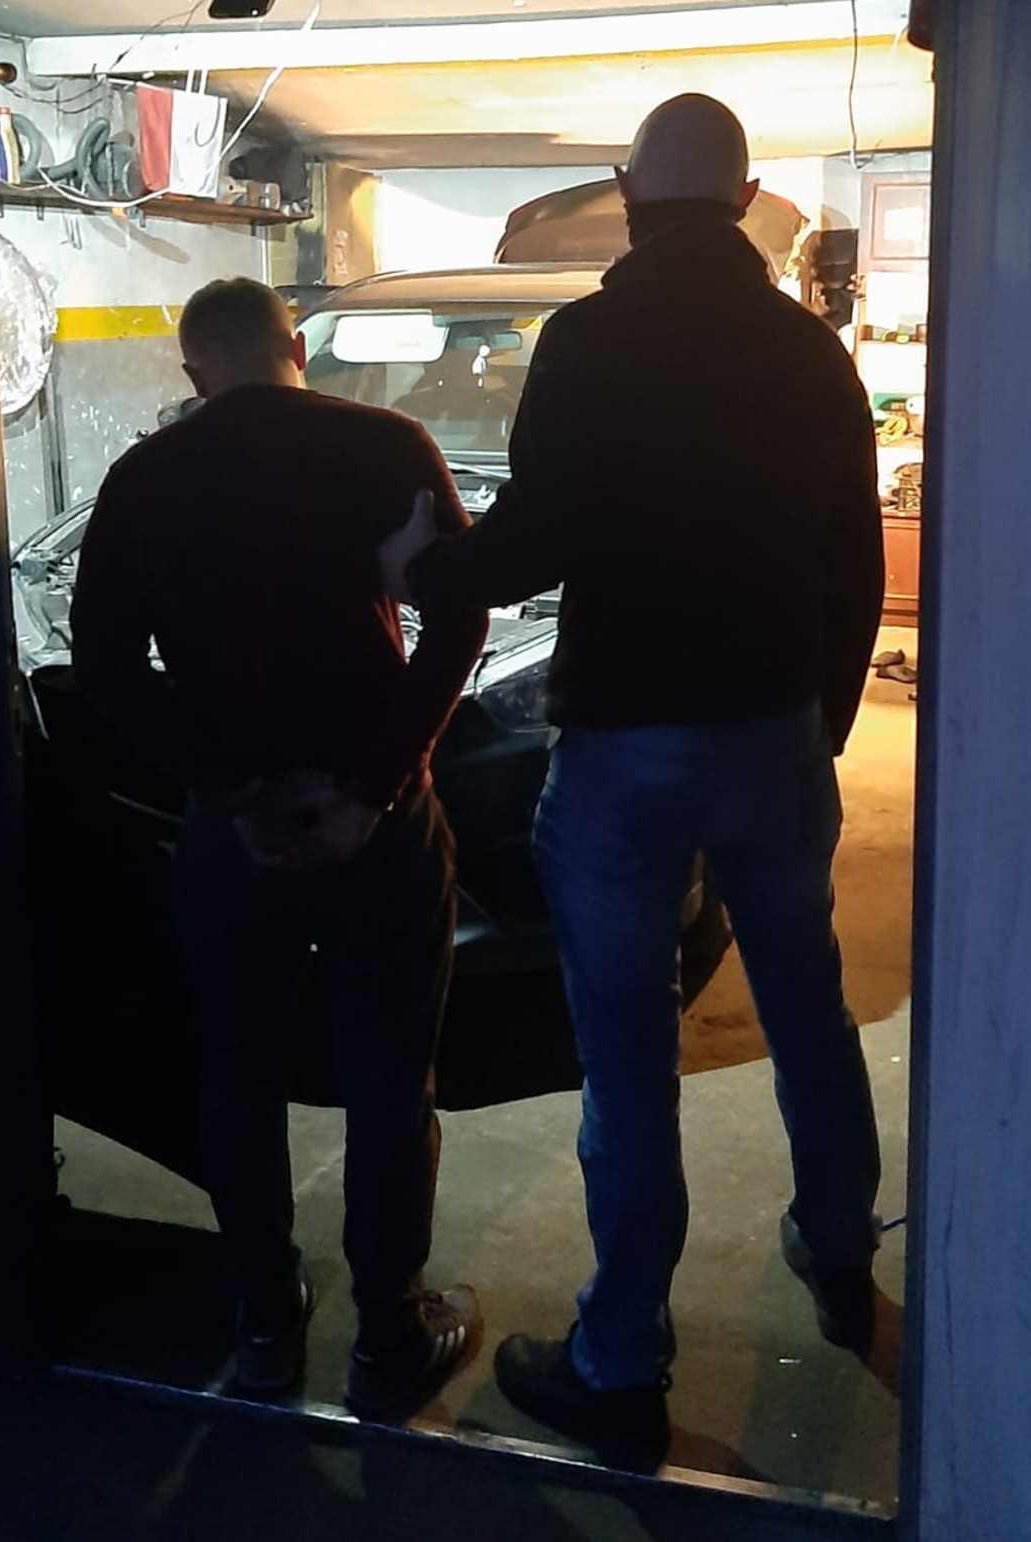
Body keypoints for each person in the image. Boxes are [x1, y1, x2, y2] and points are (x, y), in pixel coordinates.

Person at [379, 94, 885, 1458]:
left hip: (624, 755)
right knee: (809, 1008)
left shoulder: (588, 342)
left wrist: (424, 570)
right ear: (746, 199)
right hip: (771, 738)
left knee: (627, 1055)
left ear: (622, 190)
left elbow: (531, 540)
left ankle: (619, 1361)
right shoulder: (809, 354)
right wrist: (822, 728)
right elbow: (856, 561)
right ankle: (841, 1247)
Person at [70, 277, 488, 1418]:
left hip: (233, 839)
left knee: (237, 1076)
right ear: (294, 345)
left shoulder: (145, 476)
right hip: (377, 830)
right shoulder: (387, 443)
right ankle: (387, 1341)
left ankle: (262, 1323)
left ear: (193, 370)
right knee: (389, 1081)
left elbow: (104, 663)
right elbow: (460, 618)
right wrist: (373, 785)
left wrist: (229, 788)